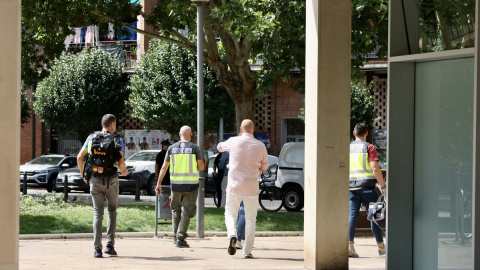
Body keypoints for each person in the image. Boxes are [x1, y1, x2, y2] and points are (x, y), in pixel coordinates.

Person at [77, 114, 129, 258]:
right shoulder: (117, 139)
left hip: (94, 180)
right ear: (112, 125)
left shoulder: (91, 137)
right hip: (111, 180)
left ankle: (97, 249)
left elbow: (79, 157)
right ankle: (109, 246)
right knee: (112, 211)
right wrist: (124, 172)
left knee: (97, 213)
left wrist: (84, 175)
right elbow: (121, 162)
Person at [217, 119, 268, 259]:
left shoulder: (234, 141)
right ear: (253, 129)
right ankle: (247, 251)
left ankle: (232, 235)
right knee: (251, 219)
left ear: (240, 129)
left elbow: (219, 147)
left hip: (234, 186)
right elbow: (264, 167)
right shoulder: (260, 145)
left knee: (229, 214)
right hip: (251, 187)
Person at [155, 126, 204, 248]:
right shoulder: (195, 148)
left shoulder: (171, 148)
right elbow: (201, 167)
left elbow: (163, 167)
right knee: (188, 211)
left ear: (179, 134)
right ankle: (180, 237)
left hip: (175, 186)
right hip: (191, 186)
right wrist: (193, 169)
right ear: (190, 135)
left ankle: (175, 236)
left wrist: (158, 183)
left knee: (175, 210)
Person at [348, 122, 386, 258]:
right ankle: (381, 246)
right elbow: (375, 168)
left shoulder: (348, 148)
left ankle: (350, 246)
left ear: (354, 133)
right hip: (368, 188)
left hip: (352, 188)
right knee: (375, 216)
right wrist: (383, 187)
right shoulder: (369, 147)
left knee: (352, 216)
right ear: (367, 133)